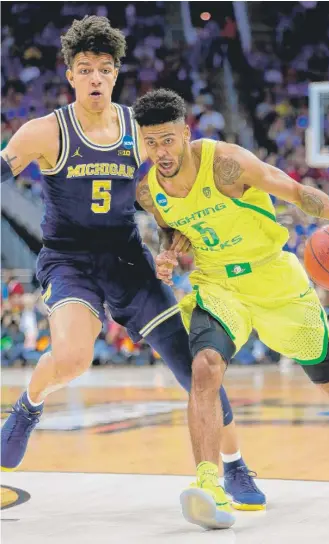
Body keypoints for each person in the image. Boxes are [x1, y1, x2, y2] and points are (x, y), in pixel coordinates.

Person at [0, 17, 266, 513]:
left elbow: (172, 196)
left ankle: (233, 464)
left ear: (117, 73)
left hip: (128, 259)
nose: (95, 77)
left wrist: (171, 243)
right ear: (71, 75)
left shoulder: (139, 131)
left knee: (196, 369)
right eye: (85, 69)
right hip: (70, 260)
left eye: (104, 68)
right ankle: (27, 407)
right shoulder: (44, 131)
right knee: (74, 358)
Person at [133, 88, 329, 530]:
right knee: (204, 367)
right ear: (140, 141)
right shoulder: (148, 192)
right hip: (219, 285)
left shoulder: (227, 163)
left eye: (167, 140)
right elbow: (173, 231)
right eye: (150, 142)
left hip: (275, 281)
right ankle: (208, 483)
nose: (160, 152)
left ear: (186, 133)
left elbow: (296, 192)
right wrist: (169, 252)